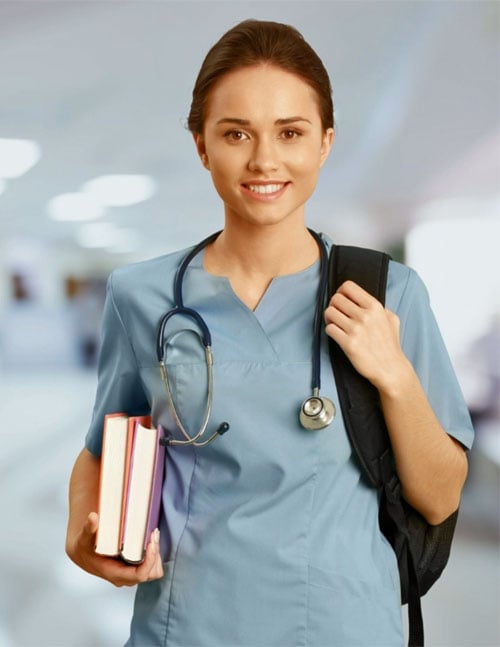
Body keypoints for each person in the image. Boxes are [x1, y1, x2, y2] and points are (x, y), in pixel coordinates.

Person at [66, 19, 474, 647]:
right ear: (202, 145)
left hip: (342, 629)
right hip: (187, 627)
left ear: (324, 143)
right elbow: (104, 445)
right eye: (236, 134)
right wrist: (83, 535)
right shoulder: (140, 297)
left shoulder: (389, 293)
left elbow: (441, 496)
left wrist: (393, 374)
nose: (264, 159)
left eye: (290, 133)